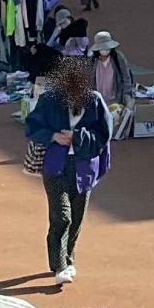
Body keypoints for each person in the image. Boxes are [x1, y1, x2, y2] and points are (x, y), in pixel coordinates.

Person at [26, 58, 113, 285]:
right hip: (55, 166)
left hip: (84, 166)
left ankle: (69, 257)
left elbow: (104, 134)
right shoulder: (49, 100)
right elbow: (32, 126)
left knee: (76, 217)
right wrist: (53, 136)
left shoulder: (94, 102)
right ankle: (59, 266)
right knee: (61, 216)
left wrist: (79, 137)